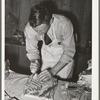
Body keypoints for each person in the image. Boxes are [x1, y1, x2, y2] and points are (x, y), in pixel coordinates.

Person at [24, 4, 76, 82]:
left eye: (41, 30)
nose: (38, 34)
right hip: (46, 53)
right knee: (44, 84)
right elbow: (32, 50)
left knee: (62, 87)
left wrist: (53, 71)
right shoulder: (29, 28)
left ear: (51, 21)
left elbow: (69, 51)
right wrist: (35, 61)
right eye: (36, 30)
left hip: (63, 57)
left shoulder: (64, 24)